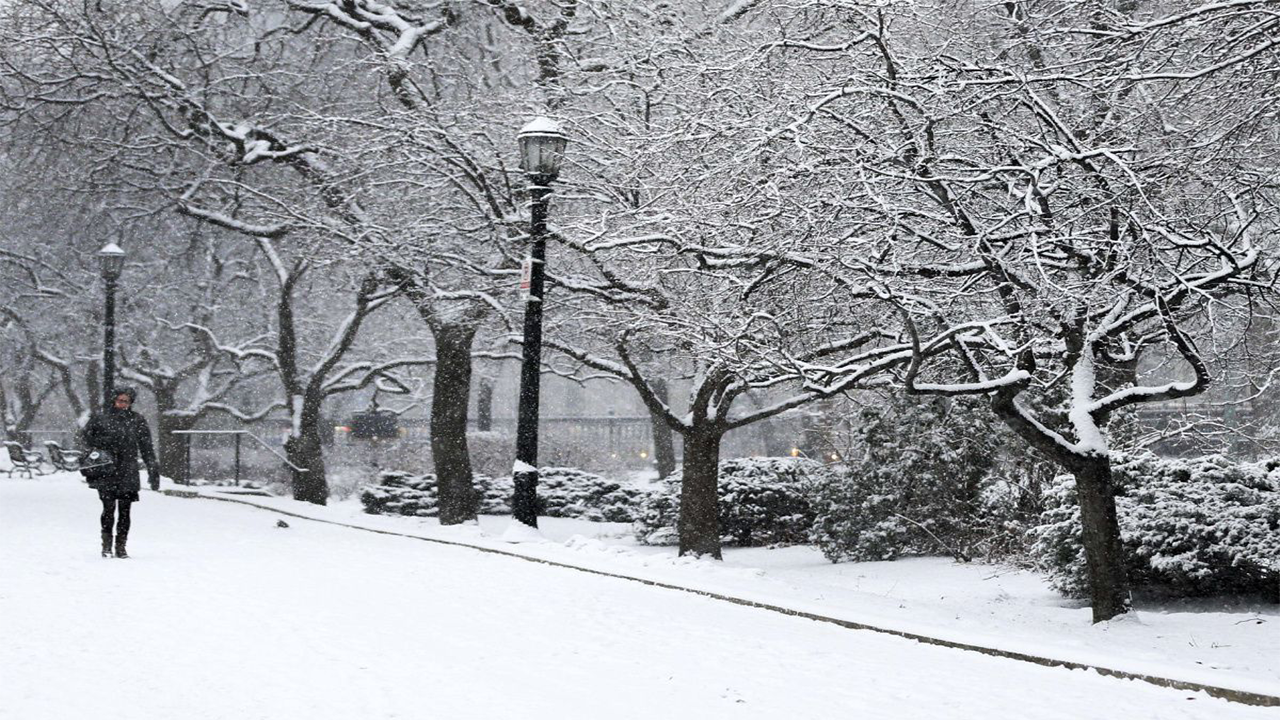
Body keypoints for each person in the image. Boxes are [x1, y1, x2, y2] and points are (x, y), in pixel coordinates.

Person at [81, 387, 157, 558]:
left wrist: (152, 467)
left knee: (125, 510)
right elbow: (85, 438)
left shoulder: (137, 420)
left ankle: (121, 546)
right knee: (108, 508)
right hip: (106, 468)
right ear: (114, 400)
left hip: (128, 468)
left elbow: (146, 446)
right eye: (120, 400)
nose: (123, 404)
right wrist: (103, 443)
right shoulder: (100, 418)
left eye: (126, 401)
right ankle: (106, 545)